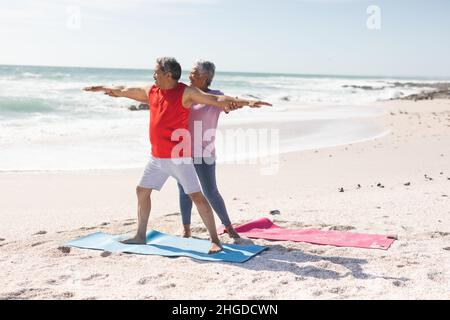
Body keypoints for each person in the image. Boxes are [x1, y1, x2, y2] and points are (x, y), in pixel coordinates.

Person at [84, 57, 271, 254]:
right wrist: (103, 87)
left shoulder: (186, 92)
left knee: (198, 196)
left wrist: (248, 101)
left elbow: (217, 100)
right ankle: (141, 235)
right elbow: (124, 90)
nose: (153, 75)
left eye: (156, 71)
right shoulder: (152, 90)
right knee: (142, 191)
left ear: (168, 75)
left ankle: (215, 240)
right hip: (156, 157)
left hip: (179, 157)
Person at [179, 60, 240, 239]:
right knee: (184, 191)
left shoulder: (215, 96)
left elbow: (229, 104)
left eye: (194, 73)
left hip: (205, 152)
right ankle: (186, 229)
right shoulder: (186, 93)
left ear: (205, 77)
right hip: (183, 150)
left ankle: (229, 227)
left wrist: (238, 104)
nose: (189, 76)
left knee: (210, 192)